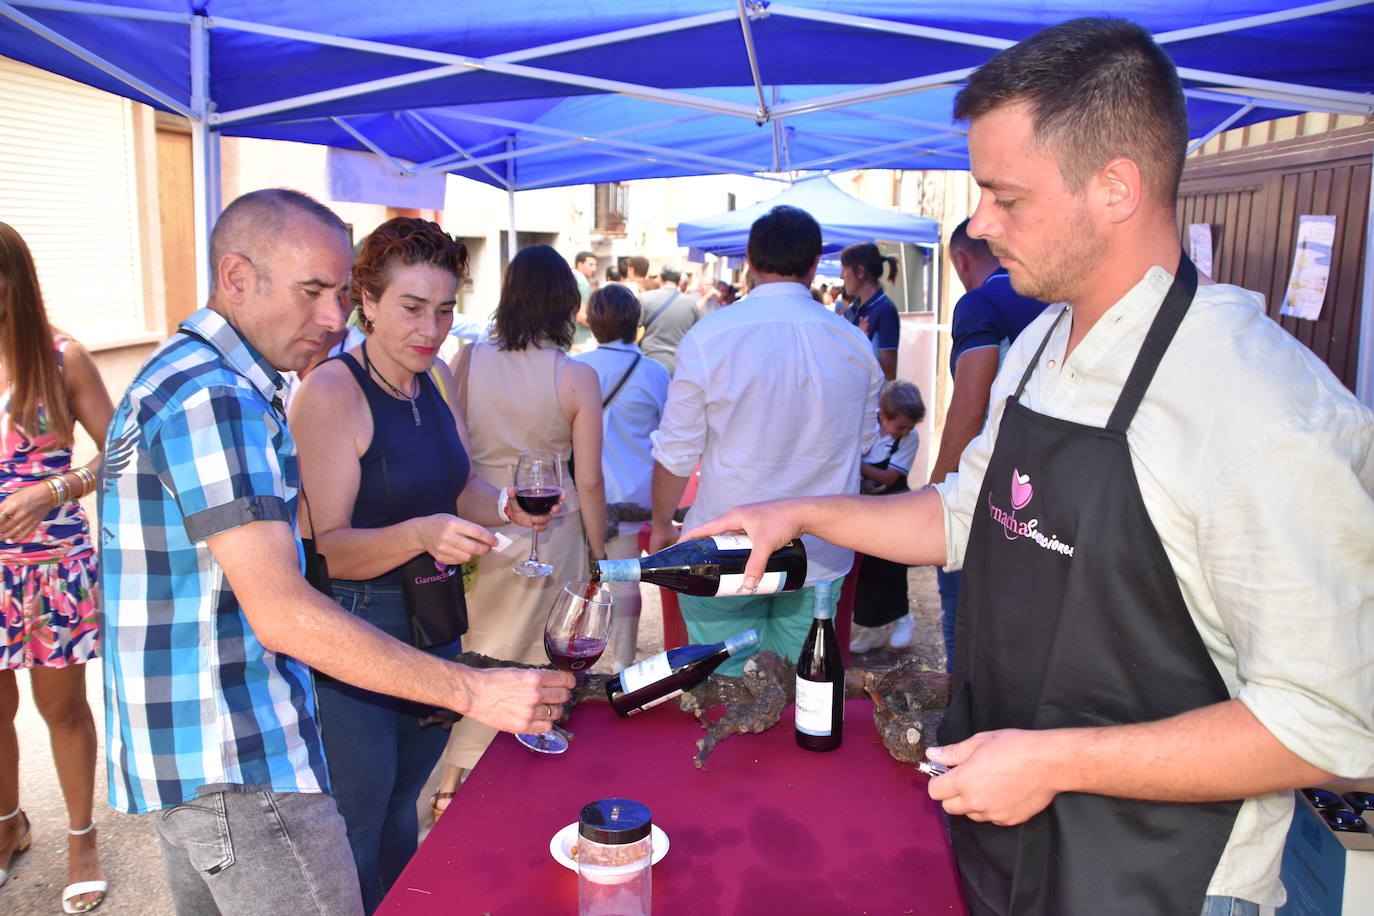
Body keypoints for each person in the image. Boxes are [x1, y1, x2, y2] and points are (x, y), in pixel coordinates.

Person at [683, 18, 1373, 916]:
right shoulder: (1043, 336)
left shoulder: (1265, 409)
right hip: (1006, 838)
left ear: (1116, 188)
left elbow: (1331, 722)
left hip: (1159, 878)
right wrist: (803, 513)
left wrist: (1055, 761)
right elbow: (970, 515)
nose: (979, 223)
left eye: (1006, 196)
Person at [98, 189, 573, 916]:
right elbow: (290, 604)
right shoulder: (223, 398)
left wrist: (505, 505)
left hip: (223, 741)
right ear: (236, 278)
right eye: (314, 292)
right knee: (360, 837)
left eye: (337, 294)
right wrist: (475, 690)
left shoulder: (211, 383)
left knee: (393, 822)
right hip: (244, 744)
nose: (331, 317)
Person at [288, 218, 553, 911]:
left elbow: (453, 485)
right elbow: (326, 546)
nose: (430, 327)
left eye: (443, 310)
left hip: (434, 613)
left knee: (407, 798)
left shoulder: (435, 375)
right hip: (358, 626)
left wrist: (507, 507)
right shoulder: (330, 393)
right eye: (411, 307)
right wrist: (420, 532)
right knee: (360, 817)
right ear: (366, 301)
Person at [651, 205, 883, 673]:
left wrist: (660, 524)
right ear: (815, 264)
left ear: (750, 262)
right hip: (819, 547)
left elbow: (677, 452)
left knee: (723, 688)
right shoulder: (854, 343)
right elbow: (865, 446)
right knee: (800, 693)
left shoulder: (709, 337)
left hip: (728, 543)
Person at [434, 244, 605, 810]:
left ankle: (450, 784)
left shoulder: (465, 359)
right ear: (566, 304)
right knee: (539, 655)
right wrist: (603, 555)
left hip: (479, 525)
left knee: (478, 649)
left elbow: (455, 457)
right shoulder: (575, 375)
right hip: (553, 534)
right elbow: (593, 479)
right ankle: (519, 788)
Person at [0, 222, 114, 914]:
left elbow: (121, 453)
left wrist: (54, 489)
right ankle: (8, 826)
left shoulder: (61, 357)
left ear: (11, 279)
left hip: (52, 572)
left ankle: (81, 838)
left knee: (62, 708)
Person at [927, 218, 1048, 671]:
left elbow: (971, 403)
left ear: (961, 259)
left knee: (963, 619)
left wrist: (938, 486)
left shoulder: (980, 302)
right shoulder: (1054, 296)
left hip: (987, 485)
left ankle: (966, 721)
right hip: (1045, 480)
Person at [573, 284, 670, 671]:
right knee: (627, 581)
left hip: (586, 491)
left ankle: (577, 652)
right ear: (636, 323)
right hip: (636, 493)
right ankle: (624, 663)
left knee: (583, 579)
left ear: (593, 323)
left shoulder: (578, 368)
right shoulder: (655, 372)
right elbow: (669, 435)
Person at [847, 380, 926, 654]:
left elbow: (889, 476)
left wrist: (853, 462)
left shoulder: (908, 440)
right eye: (900, 427)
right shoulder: (866, 428)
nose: (904, 433)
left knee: (891, 568)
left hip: (893, 508)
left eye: (910, 427)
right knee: (866, 572)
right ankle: (872, 629)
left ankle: (903, 618)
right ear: (882, 415)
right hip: (864, 510)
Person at [840, 242, 901, 380]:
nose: (841, 276)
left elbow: (890, 370)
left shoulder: (885, 310)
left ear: (860, 272)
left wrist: (858, 349)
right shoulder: (851, 310)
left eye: (844, 269)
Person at [637, 265, 698, 375]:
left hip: (650, 358)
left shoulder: (646, 298)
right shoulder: (691, 304)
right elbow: (696, 334)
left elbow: (634, 328)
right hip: (678, 362)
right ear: (679, 281)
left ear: (660, 278)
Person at [571, 250, 597, 349]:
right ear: (580, 264)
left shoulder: (568, 278)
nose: (594, 268)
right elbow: (581, 315)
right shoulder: (582, 282)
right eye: (590, 264)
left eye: (595, 265)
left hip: (568, 336)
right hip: (582, 339)